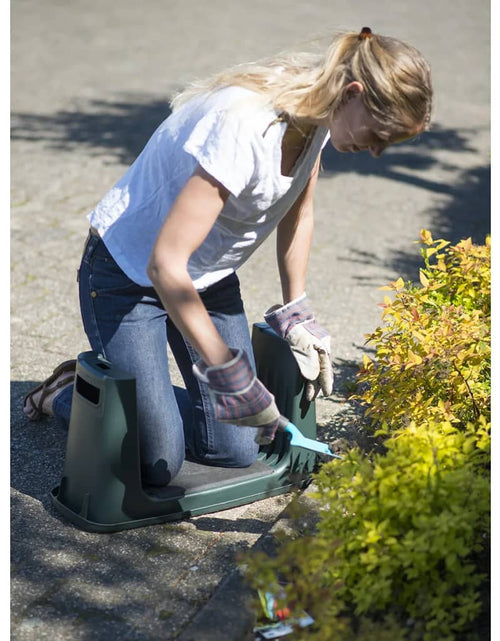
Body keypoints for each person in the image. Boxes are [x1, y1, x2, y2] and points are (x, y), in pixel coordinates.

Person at [23, 27, 433, 486]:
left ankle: (153, 405)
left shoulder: (319, 117)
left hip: (205, 277)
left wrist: (295, 308)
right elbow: (164, 265)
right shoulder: (243, 125)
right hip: (128, 275)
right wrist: (229, 373)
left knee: (236, 448)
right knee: (158, 460)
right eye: (378, 135)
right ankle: (67, 392)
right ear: (353, 93)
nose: (376, 152)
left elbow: (299, 209)